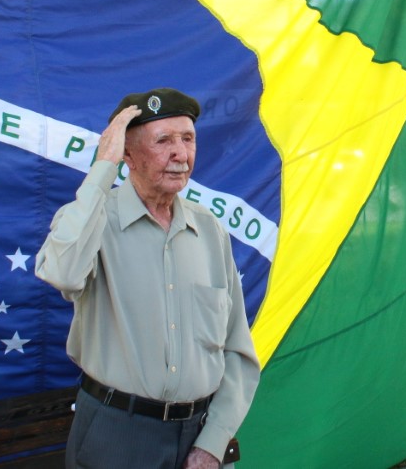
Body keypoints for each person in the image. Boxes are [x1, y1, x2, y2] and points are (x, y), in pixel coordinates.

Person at [36, 88, 259, 469]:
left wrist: (213, 442)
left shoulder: (209, 231)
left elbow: (237, 350)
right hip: (117, 435)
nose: (180, 154)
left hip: (201, 433)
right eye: (164, 141)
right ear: (128, 155)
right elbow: (61, 273)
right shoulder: (94, 219)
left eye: (188, 139)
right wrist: (102, 168)